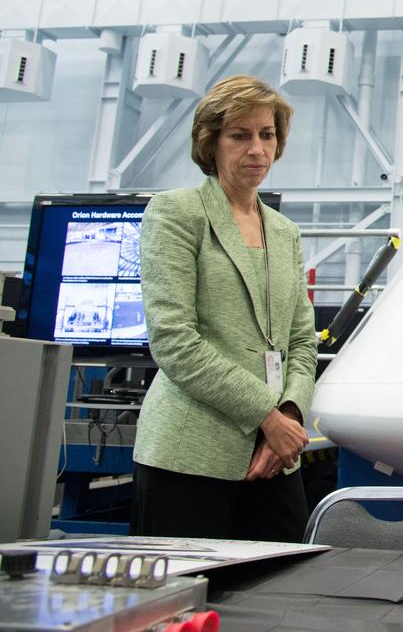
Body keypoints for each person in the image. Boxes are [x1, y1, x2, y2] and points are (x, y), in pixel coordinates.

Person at [130, 75, 317, 541]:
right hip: (189, 456)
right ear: (210, 143)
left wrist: (290, 417)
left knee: (276, 598)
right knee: (186, 602)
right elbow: (175, 340)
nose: (257, 149)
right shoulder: (176, 213)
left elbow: (300, 340)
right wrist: (266, 417)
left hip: (276, 458)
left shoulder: (284, 232)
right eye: (240, 135)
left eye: (267, 135)